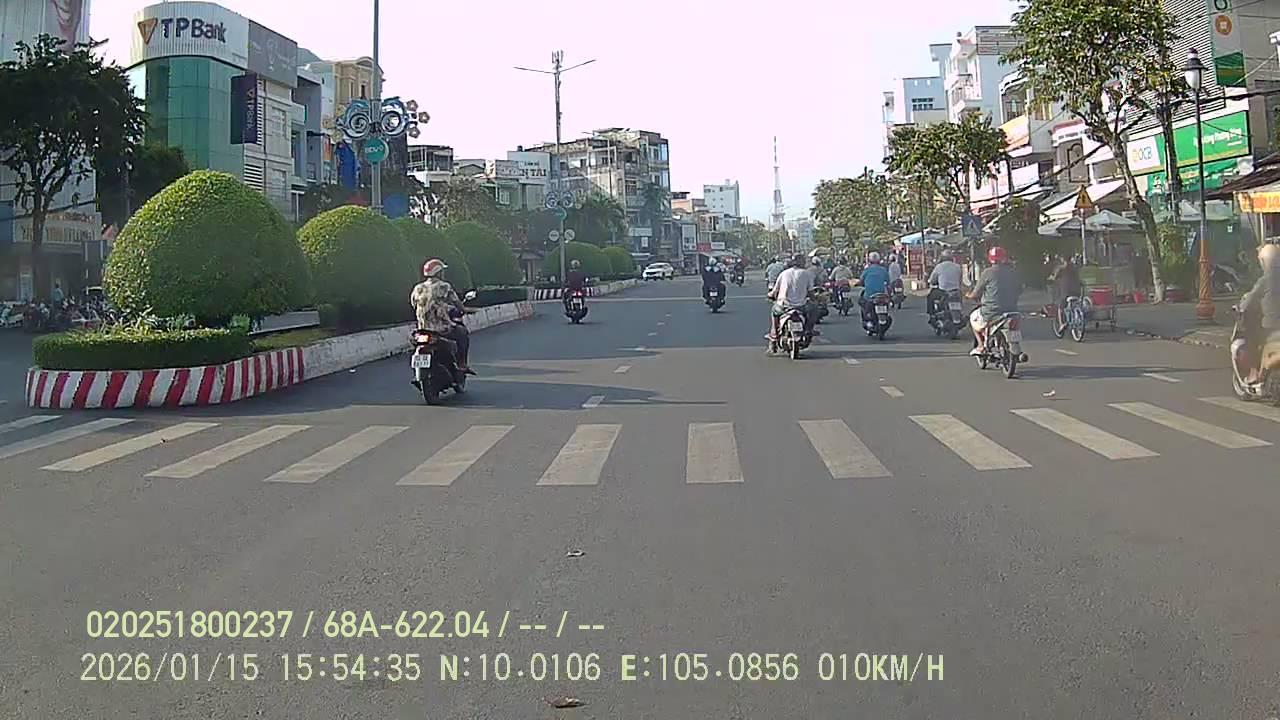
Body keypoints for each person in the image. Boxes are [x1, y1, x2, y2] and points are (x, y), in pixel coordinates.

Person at [411, 259, 475, 374]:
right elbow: (457, 303)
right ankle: (462, 364)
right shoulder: (444, 286)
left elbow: (414, 304)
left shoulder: (417, 288)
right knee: (462, 333)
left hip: (422, 329)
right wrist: (465, 310)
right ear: (439, 273)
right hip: (441, 329)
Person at [966, 246, 1023, 356]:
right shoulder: (1013, 272)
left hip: (991, 312)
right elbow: (1020, 290)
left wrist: (968, 295)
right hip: (1012, 310)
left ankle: (981, 346)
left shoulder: (987, 272)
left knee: (973, 318)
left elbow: (975, 293)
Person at [1241, 242, 1280, 382]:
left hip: (1271, 327)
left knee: (1251, 339)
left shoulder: (1265, 280)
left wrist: (1241, 306)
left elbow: (1247, 303)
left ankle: (1254, 373)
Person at [767, 253, 817, 339]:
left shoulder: (783, 274)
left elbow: (775, 291)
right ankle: (809, 329)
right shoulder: (807, 274)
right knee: (814, 309)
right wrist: (814, 300)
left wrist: (770, 295)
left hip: (784, 306)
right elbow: (811, 292)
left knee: (774, 311)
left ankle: (774, 332)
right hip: (801, 306)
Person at [926, 250, 964, 316]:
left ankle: (932, 314)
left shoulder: (939, 267)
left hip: (943, 292)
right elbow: (960, 280)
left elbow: (931, 280)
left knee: (930, 296)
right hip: (956, 292)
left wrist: (931, 282)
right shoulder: (957, 267)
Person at [857, 251, 891, 320]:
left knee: (862, 301)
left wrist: (859, 284)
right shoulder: (883, 270)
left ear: (869, 261)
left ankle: (867, 316)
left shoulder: (867, 270)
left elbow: (861, 280)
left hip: (869, 295)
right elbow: (888, 281)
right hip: (881, 294)